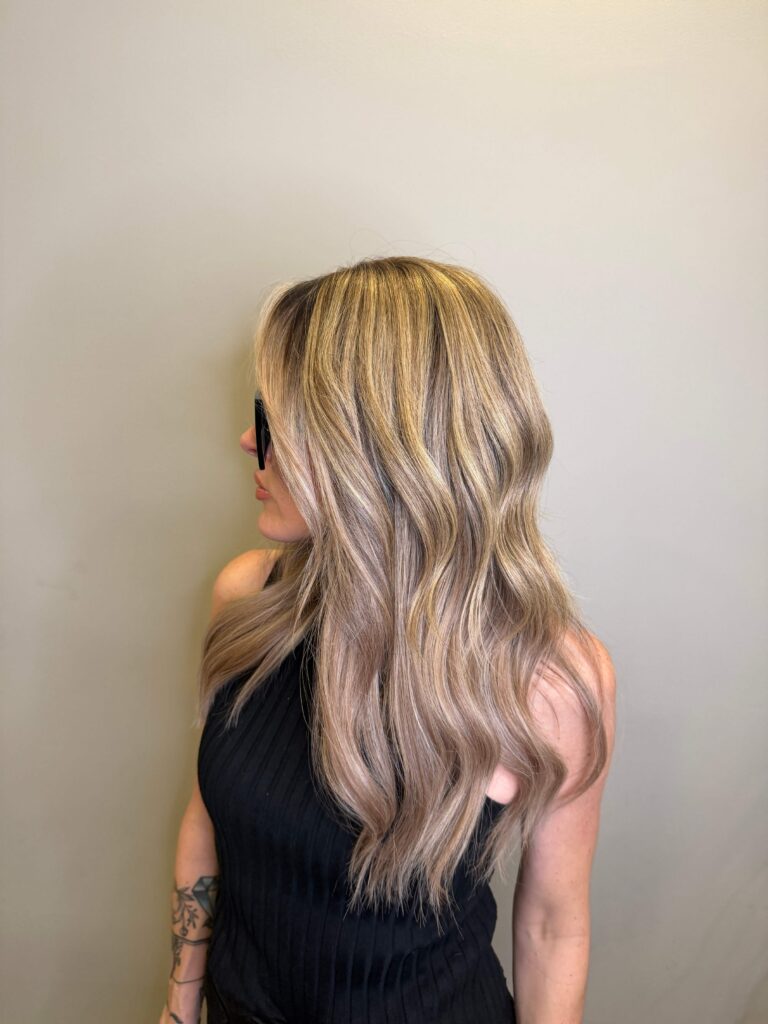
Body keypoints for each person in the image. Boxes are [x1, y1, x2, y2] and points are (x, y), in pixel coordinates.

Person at [158, 256, 616, 1024]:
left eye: (277, 420)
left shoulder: (551, 681)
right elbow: (208, 819)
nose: (247, 440)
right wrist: (176, 1008)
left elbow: (552, 927)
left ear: (377, 448)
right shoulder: (249, 600)